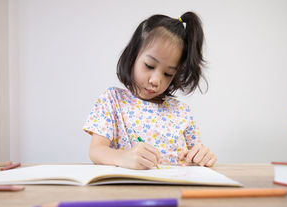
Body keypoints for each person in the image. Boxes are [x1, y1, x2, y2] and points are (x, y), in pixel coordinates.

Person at [83, 11, 217, 170]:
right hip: (127, 191)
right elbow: (96, 151)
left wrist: (201, 156)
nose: (156, 80)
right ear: (133, 56)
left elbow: (194, 157)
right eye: (149, 66)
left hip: (175, 189)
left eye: (168, 74)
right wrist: (122, 156)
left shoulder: (182, 111)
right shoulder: (112, 100)